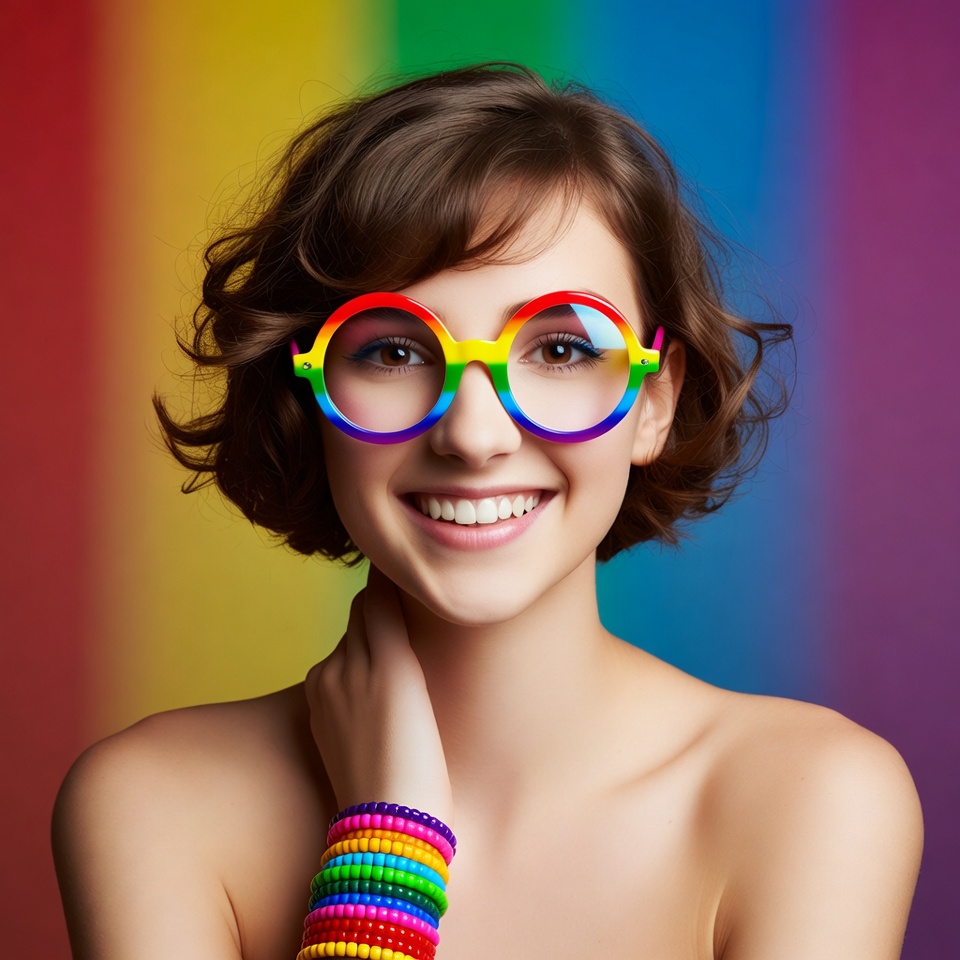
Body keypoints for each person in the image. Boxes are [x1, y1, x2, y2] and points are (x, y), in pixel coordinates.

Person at [53, 63, 922, 960]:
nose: (474, 434)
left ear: (653, 401)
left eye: (557, 348)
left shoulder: (811, 799)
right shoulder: (153, 806)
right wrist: (384, 851)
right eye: (392, 351)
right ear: (306, 392)